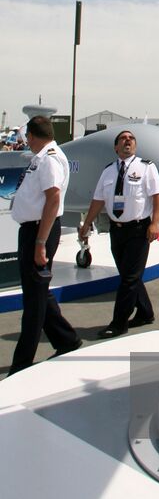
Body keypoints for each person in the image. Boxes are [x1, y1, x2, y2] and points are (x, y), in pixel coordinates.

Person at [9, 116, 81, 374]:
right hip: (34, 230)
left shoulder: (49, 159)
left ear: (31, 136)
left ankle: (22, 363)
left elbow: (53, 199)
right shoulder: (42, 157)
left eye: (26, 137)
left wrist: (40, 242)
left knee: (33, 300)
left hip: (40, 231)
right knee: (38, 290)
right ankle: (67, 340)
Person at [78, 129, 159, 338]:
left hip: (139, 230)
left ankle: (118, 323)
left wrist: (155, 223)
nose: (127, 141)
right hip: (117, 231)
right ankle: (145, 313)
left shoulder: (146, 167)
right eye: (123, 139)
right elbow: (98, 199)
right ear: (116, 147)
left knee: (129, 279)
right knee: (128, 274)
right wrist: (86, 224)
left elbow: (157, 195)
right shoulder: (108, 171)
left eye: (131, 138)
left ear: (135, 145)